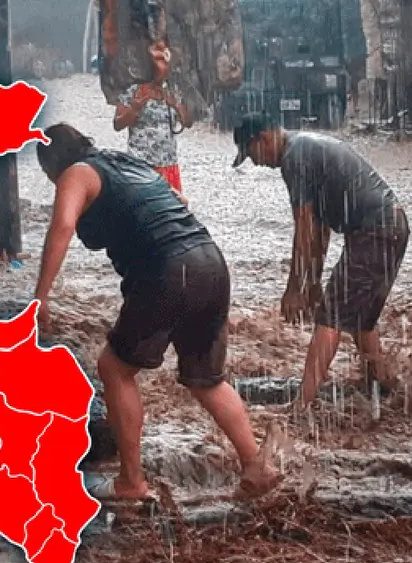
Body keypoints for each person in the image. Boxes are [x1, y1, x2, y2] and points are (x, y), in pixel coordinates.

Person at [33, 122, 281, 502]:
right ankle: (256, 464)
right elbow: (179, 200)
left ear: (50, 164)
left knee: (114, 368)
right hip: (209, 261)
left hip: (168, 269)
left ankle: (131, 482)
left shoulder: (76, 173)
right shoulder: (127, 163)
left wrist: (41, 296)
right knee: (206, 380)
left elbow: (63, 225)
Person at [231, 112, 409, 410]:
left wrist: (294, 288)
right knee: (362, 319)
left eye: (251, 155)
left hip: (375, 230)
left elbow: (304, 228)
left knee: (330, 317)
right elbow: (320, 229)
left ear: (262, 138)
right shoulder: (303, 147)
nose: (256, 163)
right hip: (392, 226)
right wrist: (311, 281)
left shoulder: (293, 158)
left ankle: (303, 407)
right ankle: (382, 389)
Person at [113, 40, 192, 204]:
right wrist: (134, 110)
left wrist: (176, 106)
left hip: (168, 162)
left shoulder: (173, 91)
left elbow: (188, 122)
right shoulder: (134, 91)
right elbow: (117, 124)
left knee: (170, 209)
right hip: (140, 163)